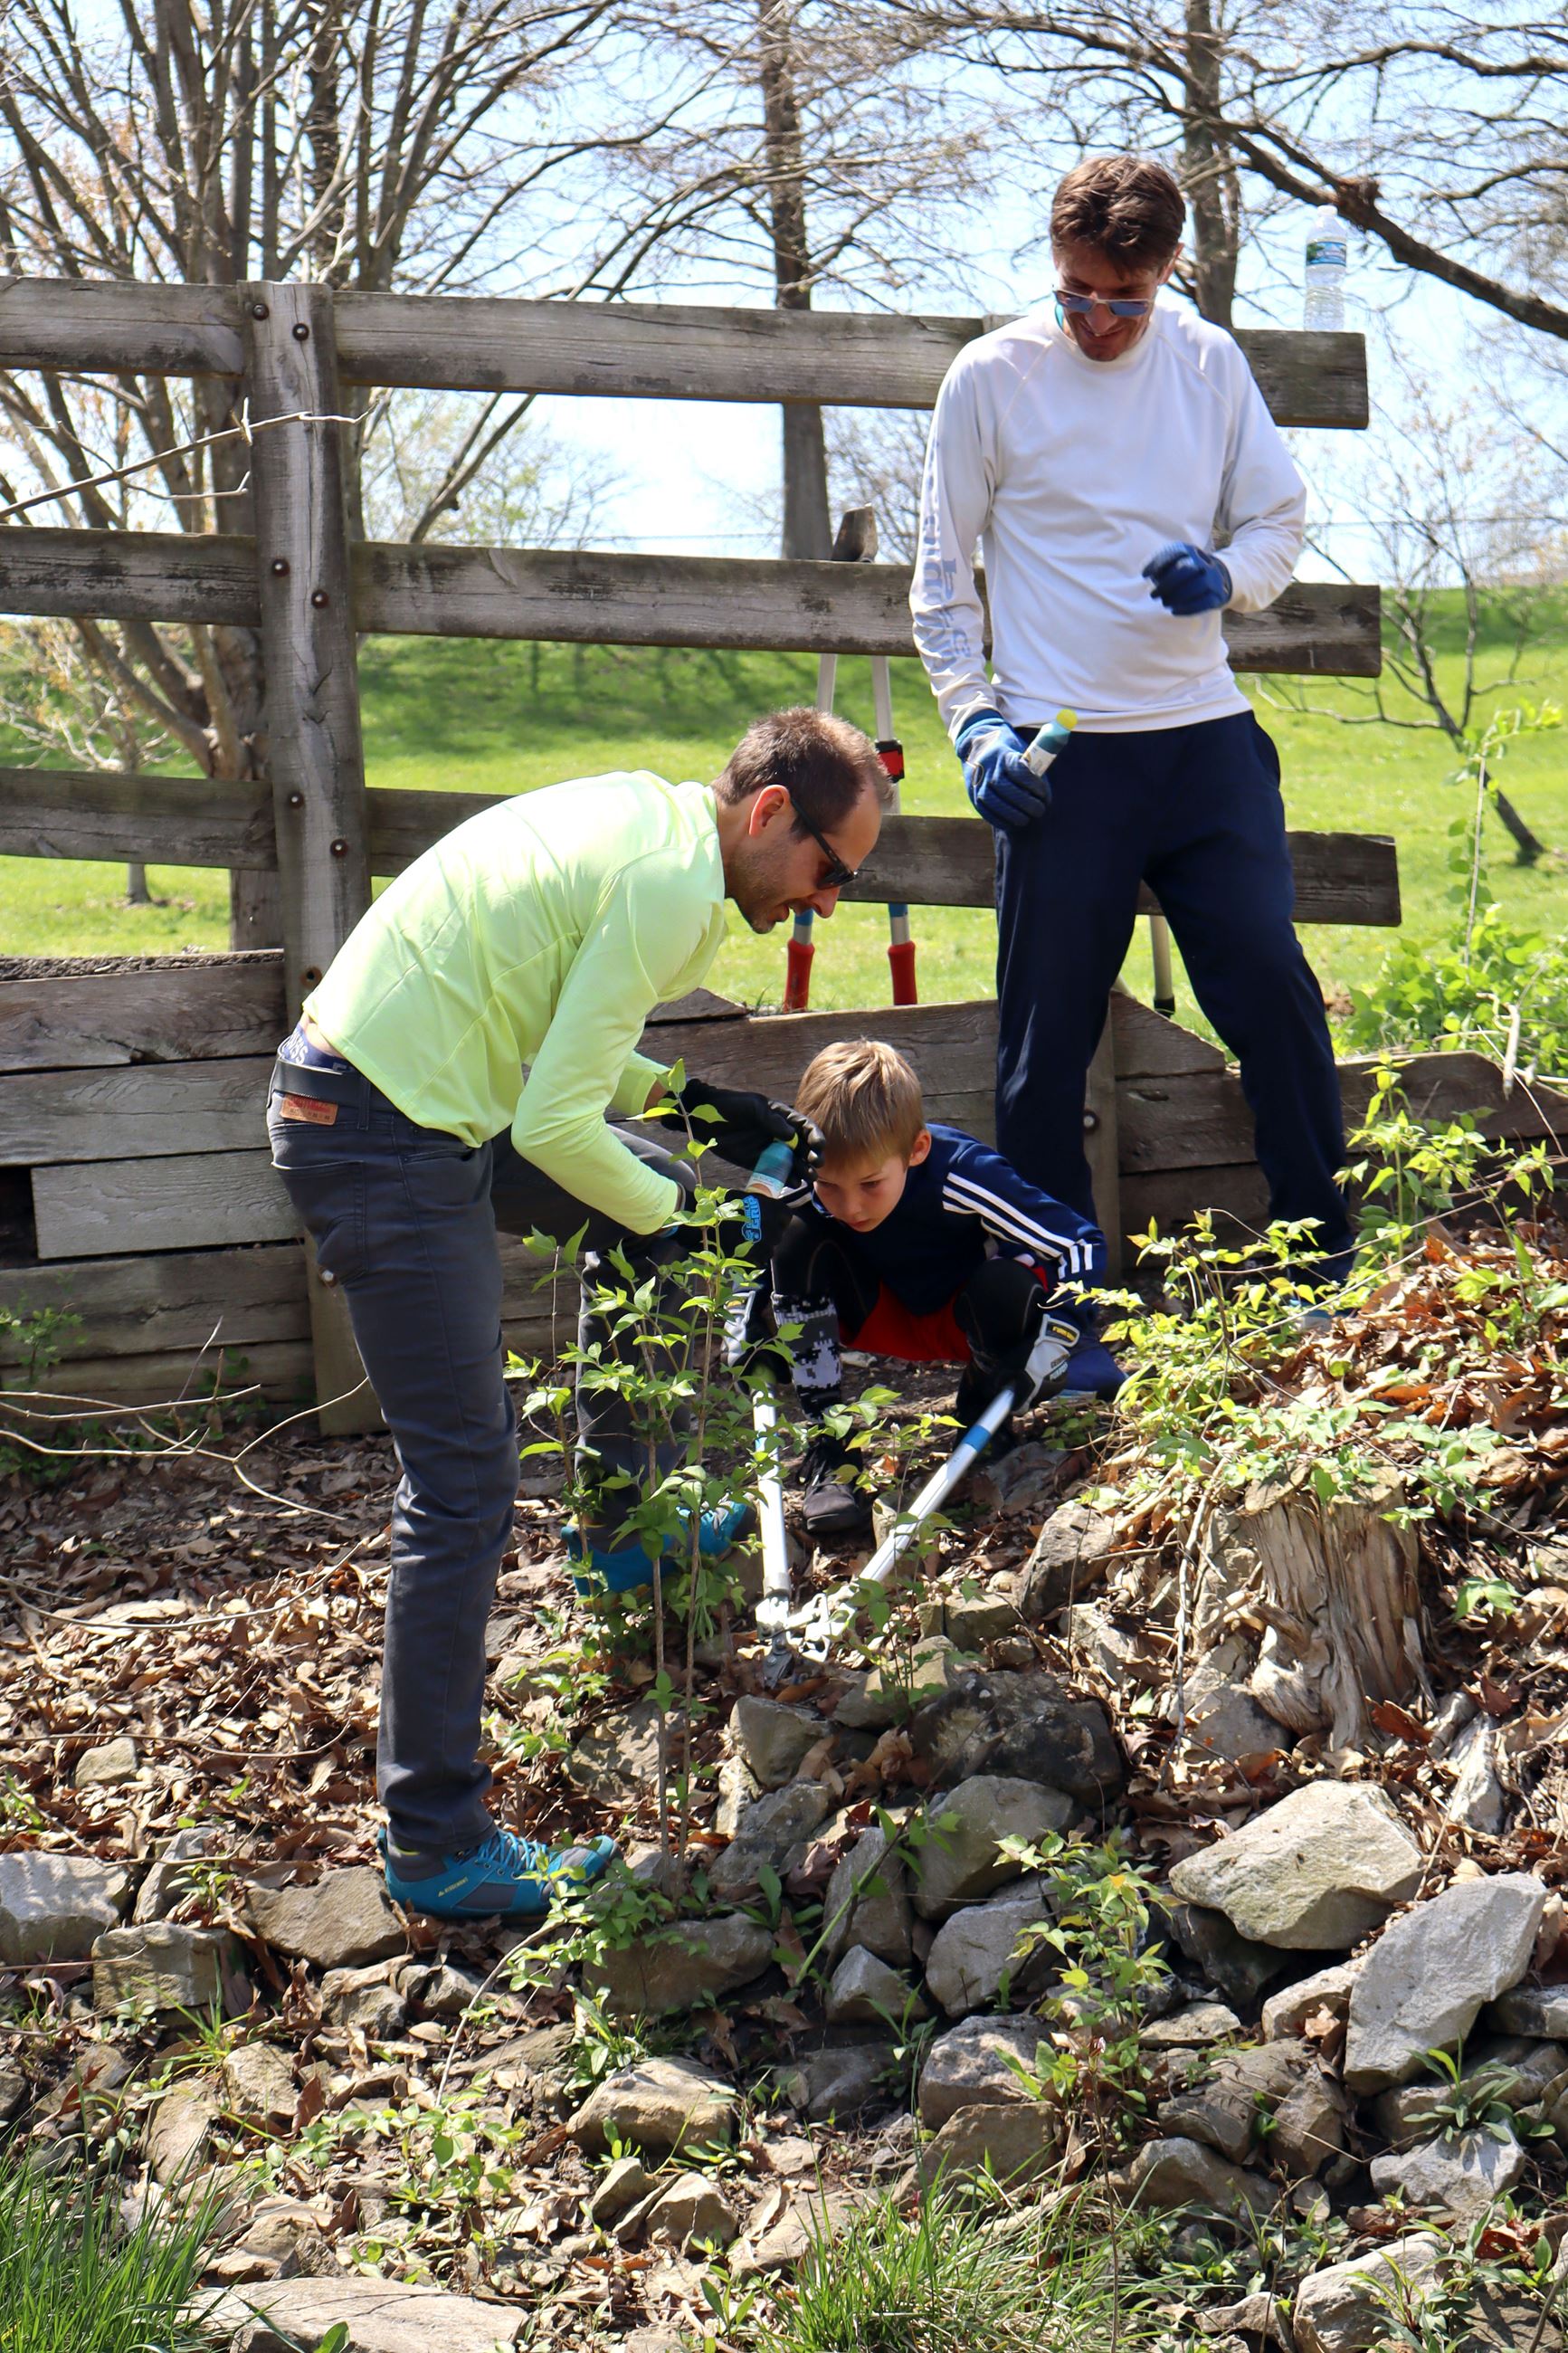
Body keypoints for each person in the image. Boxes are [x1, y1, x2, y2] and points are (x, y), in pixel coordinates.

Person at [266, 710, 890, 1923]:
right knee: (461, 1484)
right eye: (830, 872)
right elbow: (555, 1127)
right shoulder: (668, 883)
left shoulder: (659, 837)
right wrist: (706, 1223)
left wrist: (699, 1115)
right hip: (383, 1134)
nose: (826, 904)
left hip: (416, 1098)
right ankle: (435, 1841)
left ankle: (620, 1537)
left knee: (643, 1221)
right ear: (771, 814)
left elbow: (563, 1046)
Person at [910, 151, 1354, 1382]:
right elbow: (941, 589)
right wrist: (974, 727)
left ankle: (1322, 1269)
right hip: (1064, 757)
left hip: (1203, 741)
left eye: (1125, 300)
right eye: (1075, 295)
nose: (1098, 322)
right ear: (1050, 275)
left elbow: (1277, 519)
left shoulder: (1206, 361)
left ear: (1170, 276)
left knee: (1270, 986)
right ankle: (1067, 1321)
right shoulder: (990, 380)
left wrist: (1230, 577)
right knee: (1044, 1047)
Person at [741, 1039, 1108, 1540]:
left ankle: (983, 1412)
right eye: (831, 1186)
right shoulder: (807, 1180)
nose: (850, 1206)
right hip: (869, 1316)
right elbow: (755, 1248)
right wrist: (748, 1313)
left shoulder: (960, 1171)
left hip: (963, 1320)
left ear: (916, 1150)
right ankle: (831, 1444)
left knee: (1009, 1282)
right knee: (796, 1238)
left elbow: (1076, 1243)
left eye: (871, 1184)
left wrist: (1065, 1328)